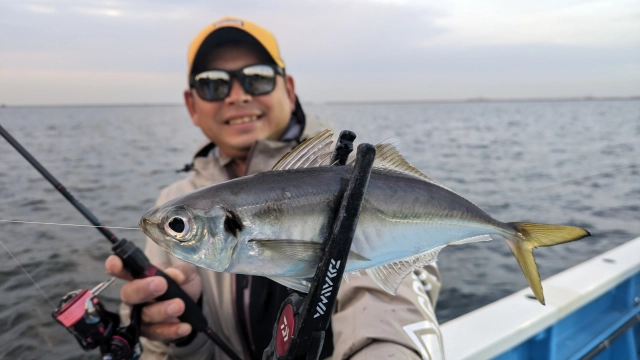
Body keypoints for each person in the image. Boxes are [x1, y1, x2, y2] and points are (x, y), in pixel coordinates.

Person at [106, 16, 444, 359]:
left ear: (289, 88)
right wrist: (184, 330)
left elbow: (390, 303)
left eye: (257, 78)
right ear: (192, 105)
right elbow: (155, 353)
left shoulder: (354, 179)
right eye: (213, 84)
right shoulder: (174, 204)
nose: (237, 96)